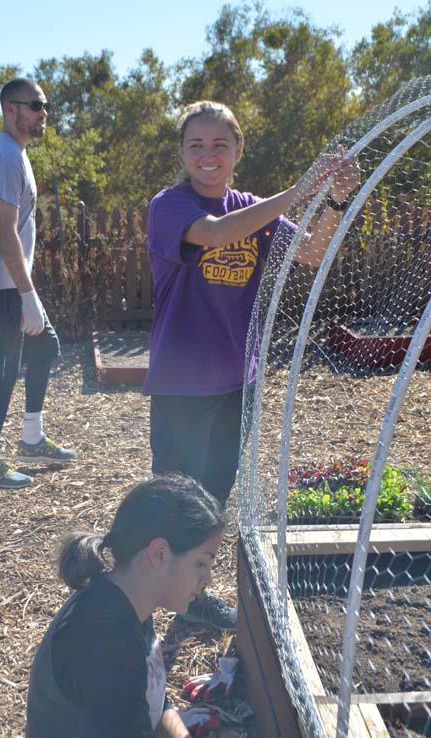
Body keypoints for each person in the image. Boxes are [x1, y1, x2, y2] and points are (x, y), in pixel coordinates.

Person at [142, 100, 360, 630]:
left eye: (220, 144)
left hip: (237, 379)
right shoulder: (169, 205)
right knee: (172, 496)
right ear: (182, 152)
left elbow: (310, 252)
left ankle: (191, 600)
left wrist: (333, 196)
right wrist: (298, 192)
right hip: (181, 382)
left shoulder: (254, 207)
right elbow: (215, 233)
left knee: (214, 493)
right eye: (196, 144)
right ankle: (144, 598)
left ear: (238, 150)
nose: (208, 155)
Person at [25, 474, 225, 738]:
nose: (208, 580)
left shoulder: (133, 597)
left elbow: (153, 702)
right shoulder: (105, 641)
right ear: (159, 553)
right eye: (201, 563)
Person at [0, 78, 75, 490]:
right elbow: (3, 230)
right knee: (3, 371)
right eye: (35, 104)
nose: (43, 112)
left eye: (45, 104)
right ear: (11, 109)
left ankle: (31, 437)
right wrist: (27, 295)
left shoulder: (15, 152)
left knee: (46, 346)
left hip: (8, 281)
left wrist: (26, 293)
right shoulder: (7, 156)